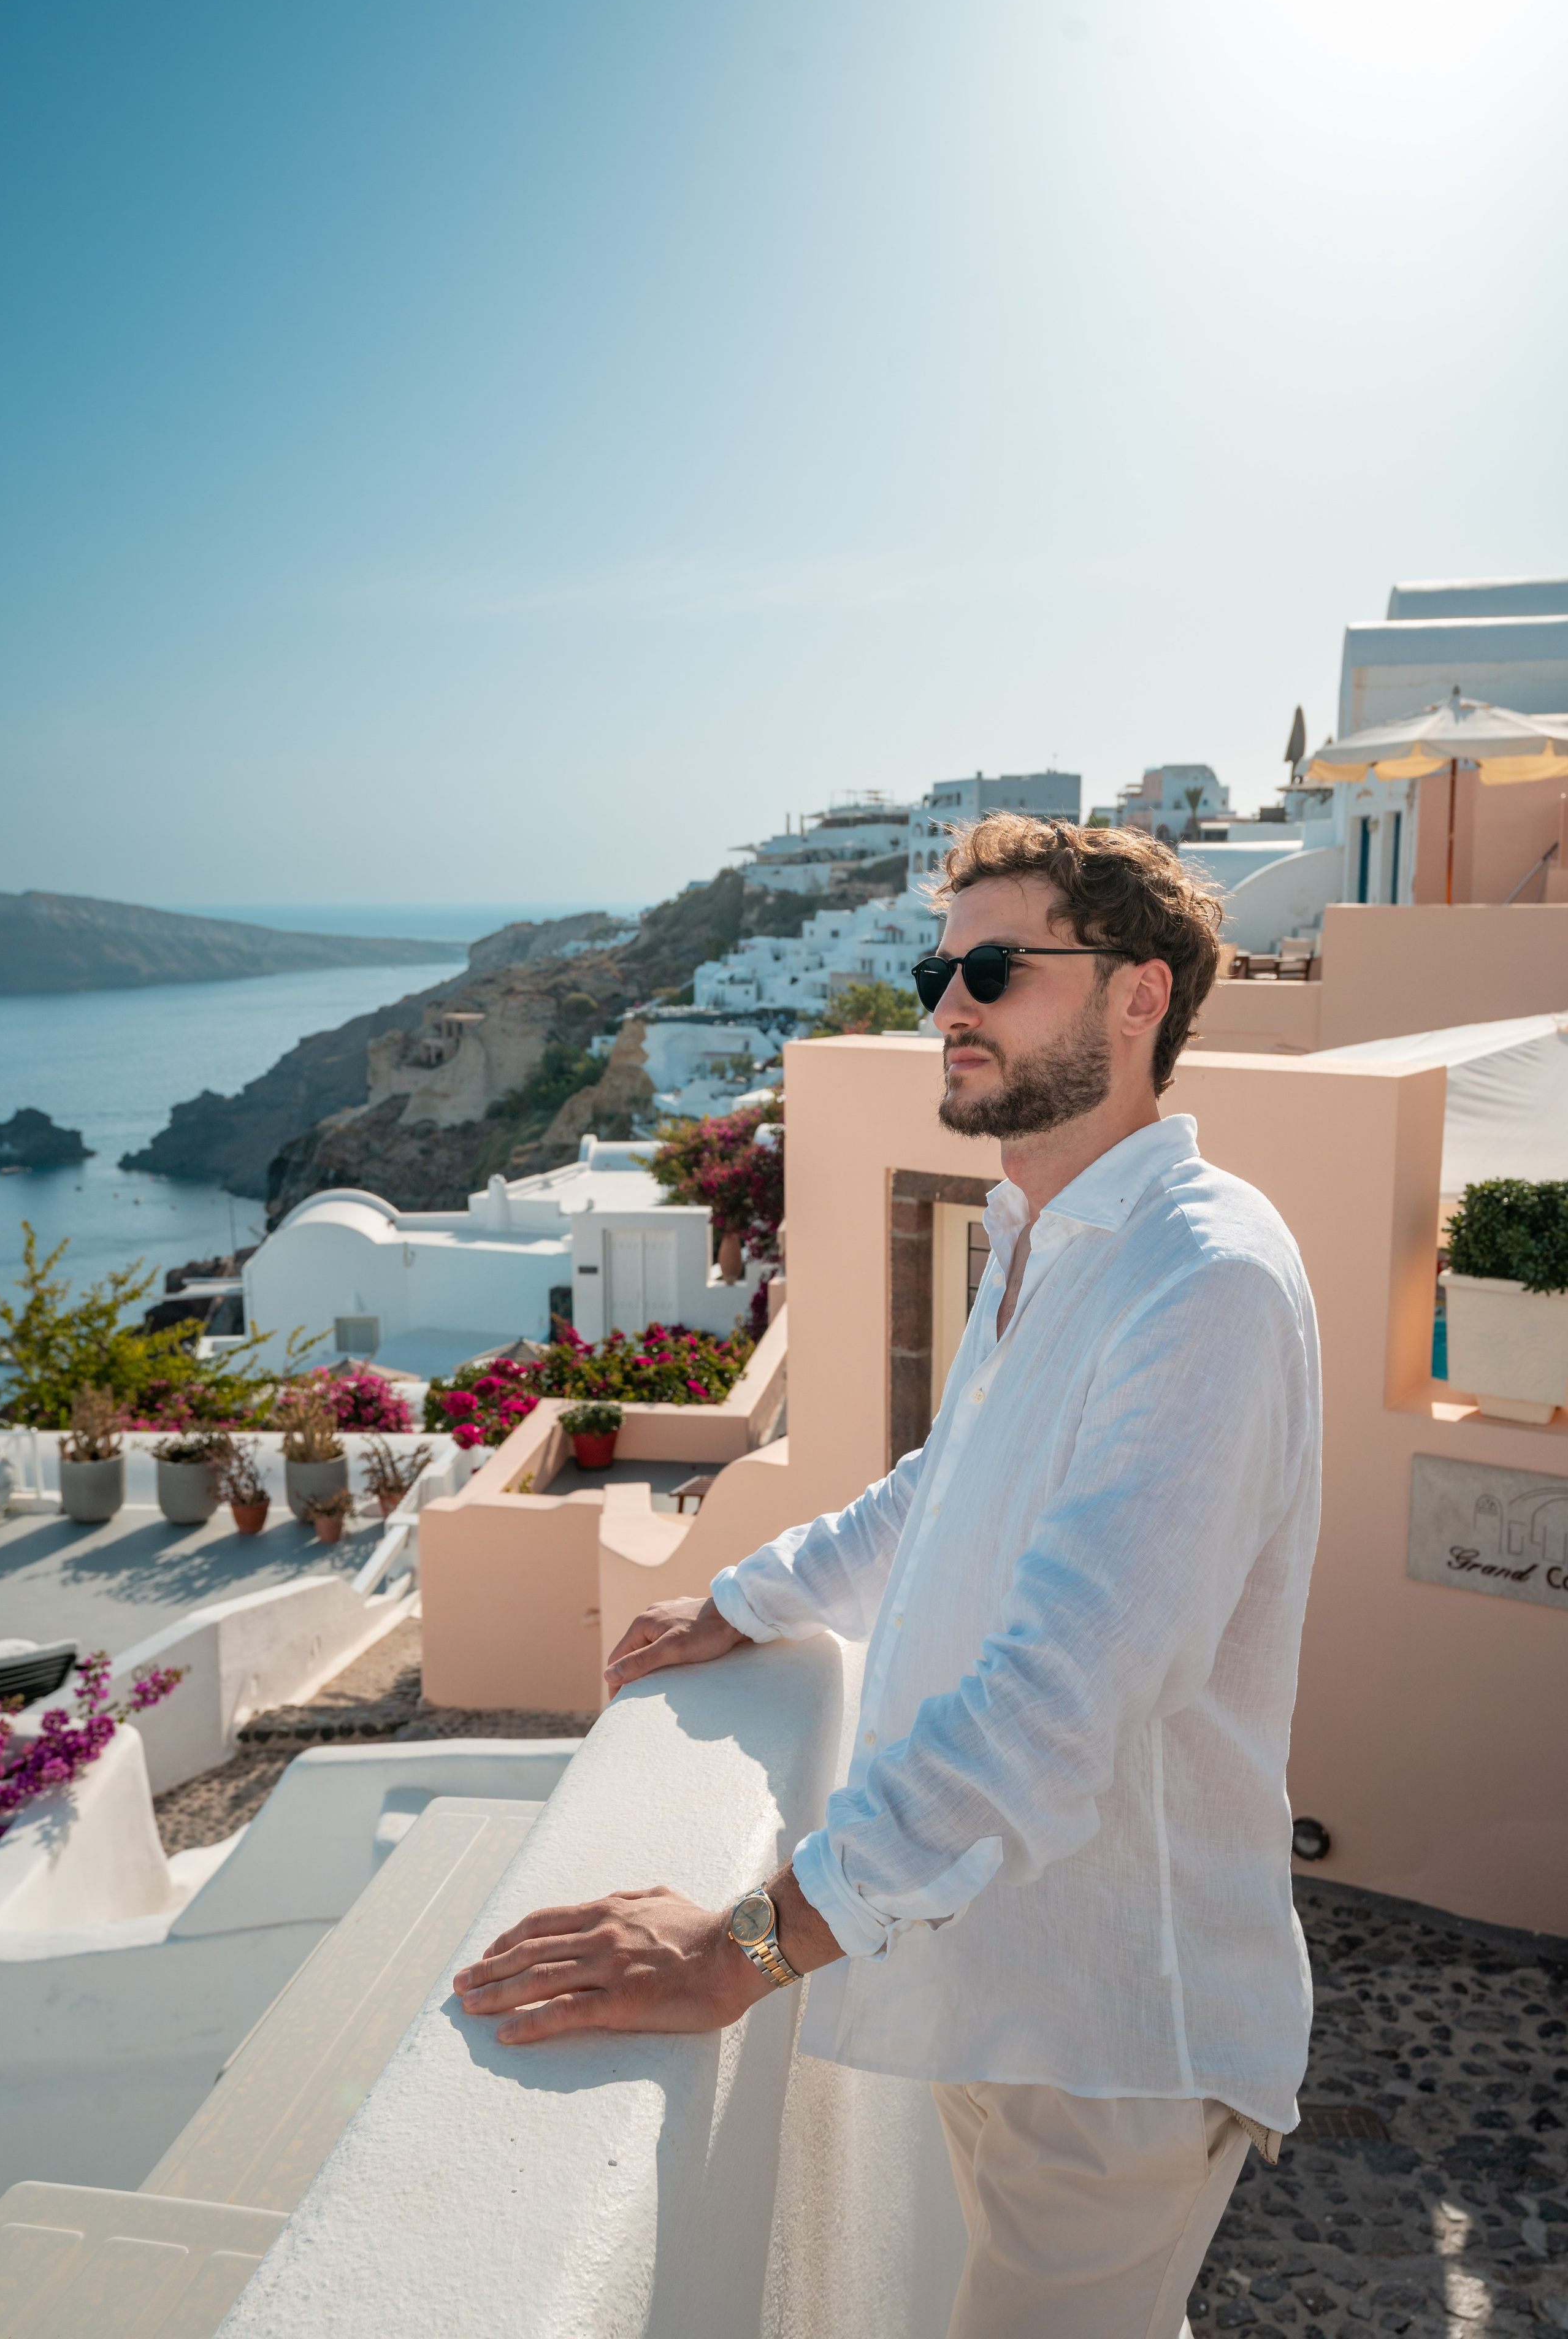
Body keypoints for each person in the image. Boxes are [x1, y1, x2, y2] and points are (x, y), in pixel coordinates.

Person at [455, 817, 1323, 2339]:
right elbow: (951, 1487)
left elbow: (1059, 1704)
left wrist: (738, 1950)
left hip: (1113, 2030)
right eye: (938, 970)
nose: (945, 1008)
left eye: (993, 967)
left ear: (1139, 997)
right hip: (1002, 1979)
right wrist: (750, 1595)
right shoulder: (1045, 1232)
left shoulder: (1204, 1280)